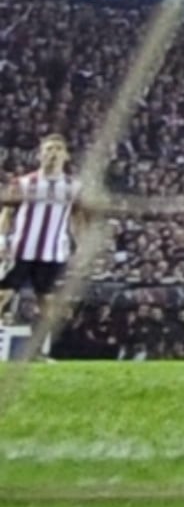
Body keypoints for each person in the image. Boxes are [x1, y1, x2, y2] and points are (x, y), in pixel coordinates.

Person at [2, 136, 76, 362]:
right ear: (39, 155)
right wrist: (3, 240)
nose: (53, 153)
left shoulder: (74, 187)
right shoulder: (24, 183)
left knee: (47, 304)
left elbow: (79, 217)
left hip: (51, 253)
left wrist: (77, 244)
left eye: (58, 149)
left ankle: (39, 351)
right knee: (4, 294)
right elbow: (7, 212)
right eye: (48, 149)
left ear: (66, 155)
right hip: (21, 249)